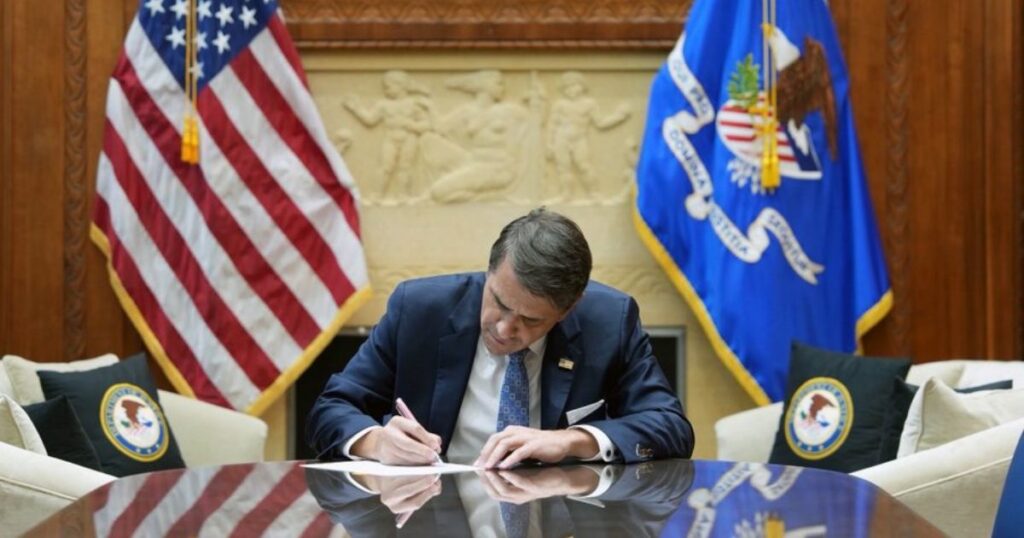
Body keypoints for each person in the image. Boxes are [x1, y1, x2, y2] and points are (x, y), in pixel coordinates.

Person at [306, 208, 694, 468]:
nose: (505, 328)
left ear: (568, 309)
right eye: (499, 302)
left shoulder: (608, 321)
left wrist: (572, 441)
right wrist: (376, 443)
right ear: (489, 273)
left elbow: (670, 426)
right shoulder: (420, 310)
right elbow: (331, 408)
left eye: (530, 320)